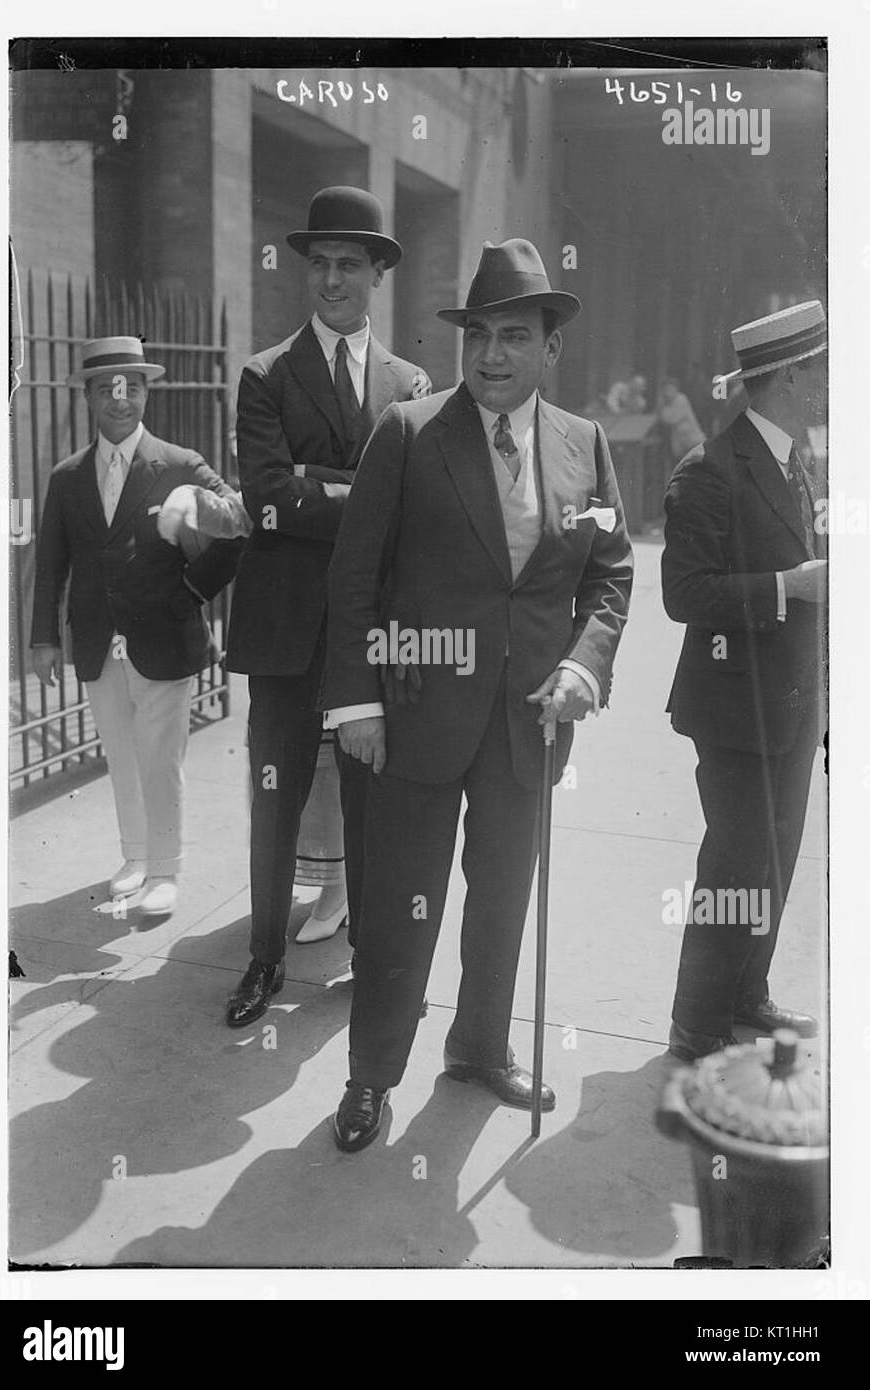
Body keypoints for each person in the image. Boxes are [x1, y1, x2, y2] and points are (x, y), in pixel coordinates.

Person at [323, 238, 634, 1151]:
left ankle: (479, 1048)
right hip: (415, 723)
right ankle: (370, 1076)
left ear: (550, 351)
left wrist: (583, 665)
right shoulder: (410, 432)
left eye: (513, 336)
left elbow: (609, 576)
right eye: (479, 337)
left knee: (501, 901)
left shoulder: (585, 444)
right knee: (399, 910)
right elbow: (353, 580)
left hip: (529, 729)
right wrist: (358, 705)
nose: (492, 355)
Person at [223, 186, 431, 1027]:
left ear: (378, 274)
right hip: (280, 627)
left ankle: (371, 962)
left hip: (367, 634)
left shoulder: (408, 381)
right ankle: (264, 960)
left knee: (370, 800)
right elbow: (268, 496)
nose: (332, 280)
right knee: (273, 797)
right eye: (321, 265)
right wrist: (360, 498)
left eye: (350, 264)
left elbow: (414, 508)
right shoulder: (265, 375)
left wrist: (323, 487)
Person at [662, 301, 828, 1061]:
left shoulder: (800, 459)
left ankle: (746, 994)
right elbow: (683, 594)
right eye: (821, 369)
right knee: (733, 861)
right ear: (790, 376)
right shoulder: (707, 470)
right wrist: (786, 587)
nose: (831, 383)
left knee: (778, 853)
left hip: (795, 702)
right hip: (733, 708)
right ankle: (695, 1025)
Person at [30, 336, 243, 916]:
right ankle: (135, 856)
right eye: (106, 389)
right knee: (121, 755)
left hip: (165, 636)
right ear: (90, 397)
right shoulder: (68, 476)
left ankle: (166, 869)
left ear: (146, 392)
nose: (120, 400)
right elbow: (50, 563)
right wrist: (45, 639)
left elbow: (240, 527)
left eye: (131, 387)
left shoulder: (179, 463)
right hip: (99, 640)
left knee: (160, 758)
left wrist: (194, 586)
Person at [656, 377, 705, 462]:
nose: (667, 392)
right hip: (682, 446)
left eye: (670, 389)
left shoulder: (681, 399)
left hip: (694, 443)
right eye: (665, 390)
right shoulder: (667, 404)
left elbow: (671, 419)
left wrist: (661, 407)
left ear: (676, 389)